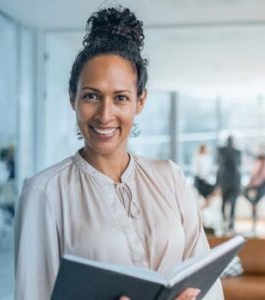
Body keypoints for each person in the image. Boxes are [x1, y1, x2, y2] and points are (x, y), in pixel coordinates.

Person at [14, 7, 223, 300]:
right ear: (72, 98)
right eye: (91, 96)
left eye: (121, 98)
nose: (105, 114)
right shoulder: (44, 193)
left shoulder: (170, 178)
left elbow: (207, 286)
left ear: (140, 101)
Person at [216, 136, 241, 231]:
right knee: (229, 204)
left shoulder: (222, 151)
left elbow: (220, 167)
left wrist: (218, 183)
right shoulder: (237, 152)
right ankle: (229, 224)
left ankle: (226, 223)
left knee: (225, 203)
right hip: (232, 182)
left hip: (227, 182)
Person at [244, 154, 265, 229]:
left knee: (255, 202)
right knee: (244, 192)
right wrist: (250, 183)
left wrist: (252, 184)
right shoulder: (257, 164)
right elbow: (253, 175)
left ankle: (254, 223)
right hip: (256, 184)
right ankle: (254, 205)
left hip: (262, 185)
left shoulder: (263, 165)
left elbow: (261, 177)